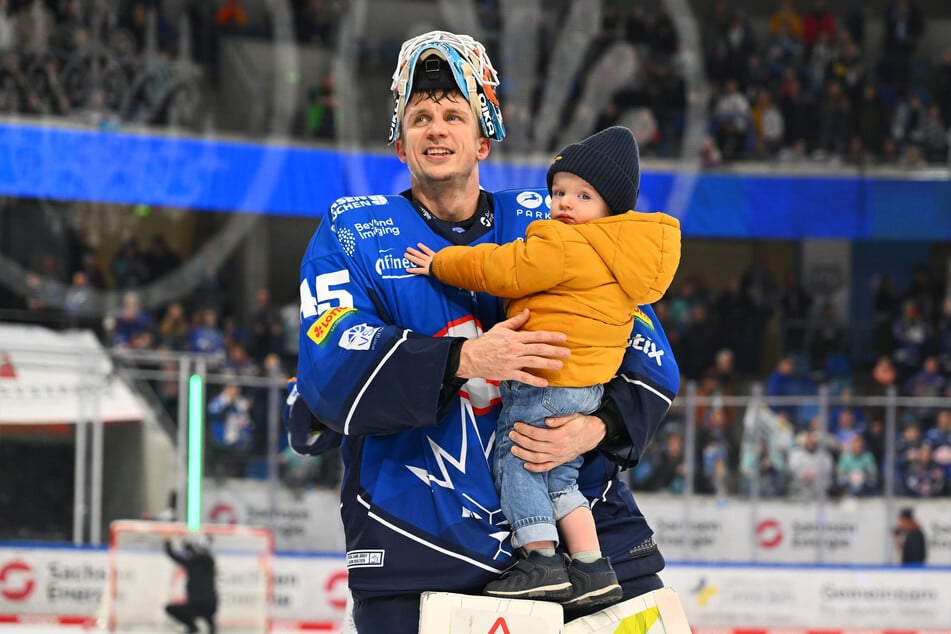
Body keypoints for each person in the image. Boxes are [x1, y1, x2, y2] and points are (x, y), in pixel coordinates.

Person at [286, 30, 680, 633]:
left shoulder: (552, 216)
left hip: (593, 560)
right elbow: (328, 367)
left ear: (484, 137)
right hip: (422, 555)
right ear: (400, 144)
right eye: (419, 117)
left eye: (453, 113)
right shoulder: (351, 231)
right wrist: (463, 359)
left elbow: (648, 358)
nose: (436, 129)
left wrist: (595, 428)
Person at [402, 126, 680, 607]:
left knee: (518, 458)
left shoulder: (565, 244)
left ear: (610, 208)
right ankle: (592, 566)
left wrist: (442, 263)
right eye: (558, 192)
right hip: (588, 389)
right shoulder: (626, 264)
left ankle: (541, 560)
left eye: (582, 195)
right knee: (561, 479)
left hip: (545, 378)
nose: (564, 203)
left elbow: (500, 268)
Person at [164, 538, 218, 634]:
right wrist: (185, 544)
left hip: (199, 605)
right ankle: (203, 627)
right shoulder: (207, 564)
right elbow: (196, 552)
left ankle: (194, 626)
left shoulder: (195, 563)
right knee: (207, 612)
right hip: (206, 606)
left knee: (170, 608)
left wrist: (168, 541)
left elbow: (173, 554)